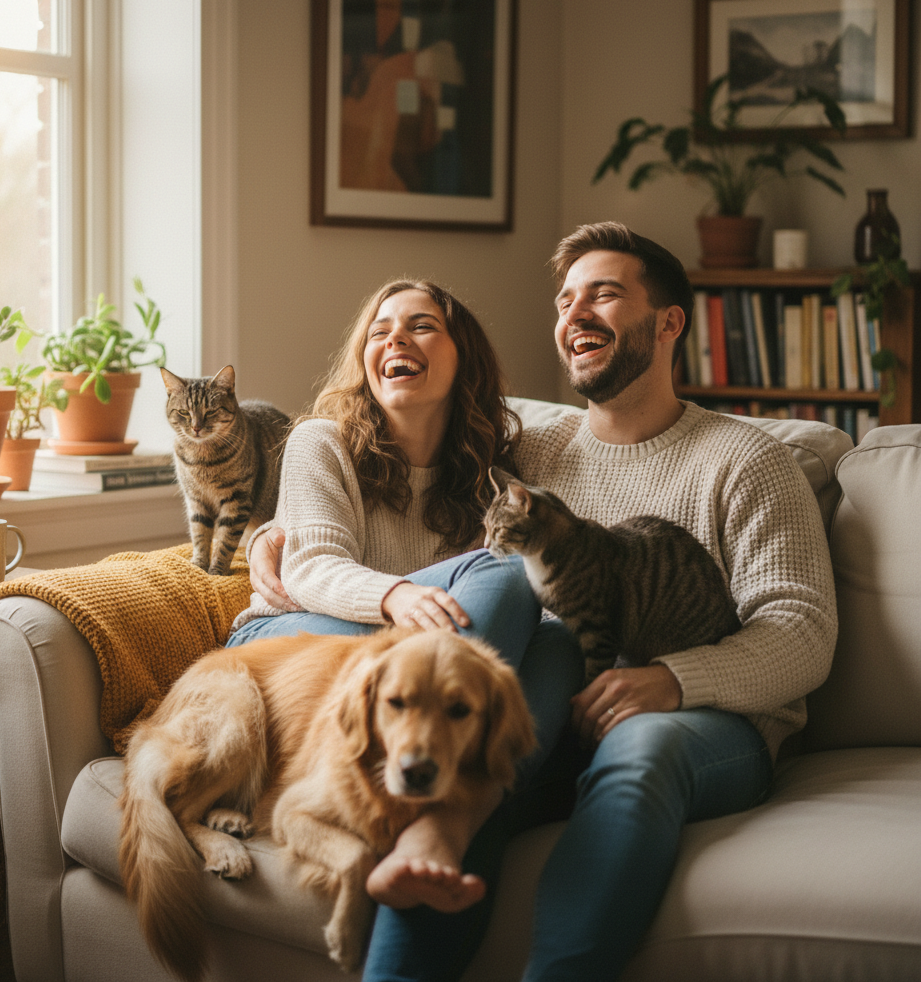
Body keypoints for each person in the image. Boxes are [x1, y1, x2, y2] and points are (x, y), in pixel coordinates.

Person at [250, 223, 838, 982]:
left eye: (604, 294)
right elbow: (427, 514)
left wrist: (673, 681)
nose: (575, 314)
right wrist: (276, 534)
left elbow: (802, 631)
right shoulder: (532, 455)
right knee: (490, 763)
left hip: (704, 723)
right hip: (557, 710)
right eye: (565, 301)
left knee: (640, 745)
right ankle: (430, 865)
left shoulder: (748, 458)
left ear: (668, 323)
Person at [229, 276, 585, 911]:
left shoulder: (490, 476)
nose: (396, 337)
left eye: (422, 325)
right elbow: (308, 567)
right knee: (504, 577)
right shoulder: (321, 440)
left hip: (405, 665)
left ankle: (452, 817)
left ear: (462, 358)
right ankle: (440, 808)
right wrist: (394, 598)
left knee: (556, 645)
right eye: (380, 329)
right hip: (293, 642)